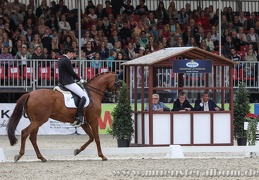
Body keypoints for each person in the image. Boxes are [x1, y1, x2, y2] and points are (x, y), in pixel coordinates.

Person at [58, 45, 89, 126]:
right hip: (68, 82)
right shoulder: (66, 60)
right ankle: (79, 116)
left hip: (64, 81)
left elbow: (66, 73)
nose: (73, 55)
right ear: (68, 53)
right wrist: (80, 80)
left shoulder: (61, 59)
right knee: (83, 95)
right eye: (72, 53)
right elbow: (72, 72)